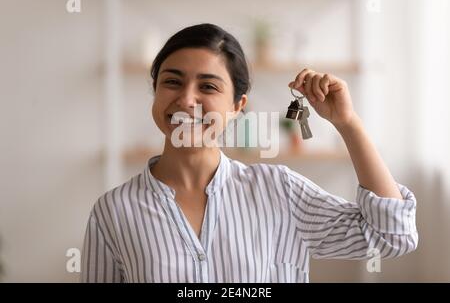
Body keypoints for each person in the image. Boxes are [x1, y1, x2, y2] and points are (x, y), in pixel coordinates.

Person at [81, 23, 418, 283]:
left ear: (237, 106)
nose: (186, 99)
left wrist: (346, 123)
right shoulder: (113, 211)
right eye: (172, 81)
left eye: (208, 86)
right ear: (155, 91)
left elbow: (393, 236)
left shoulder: (279, 190)